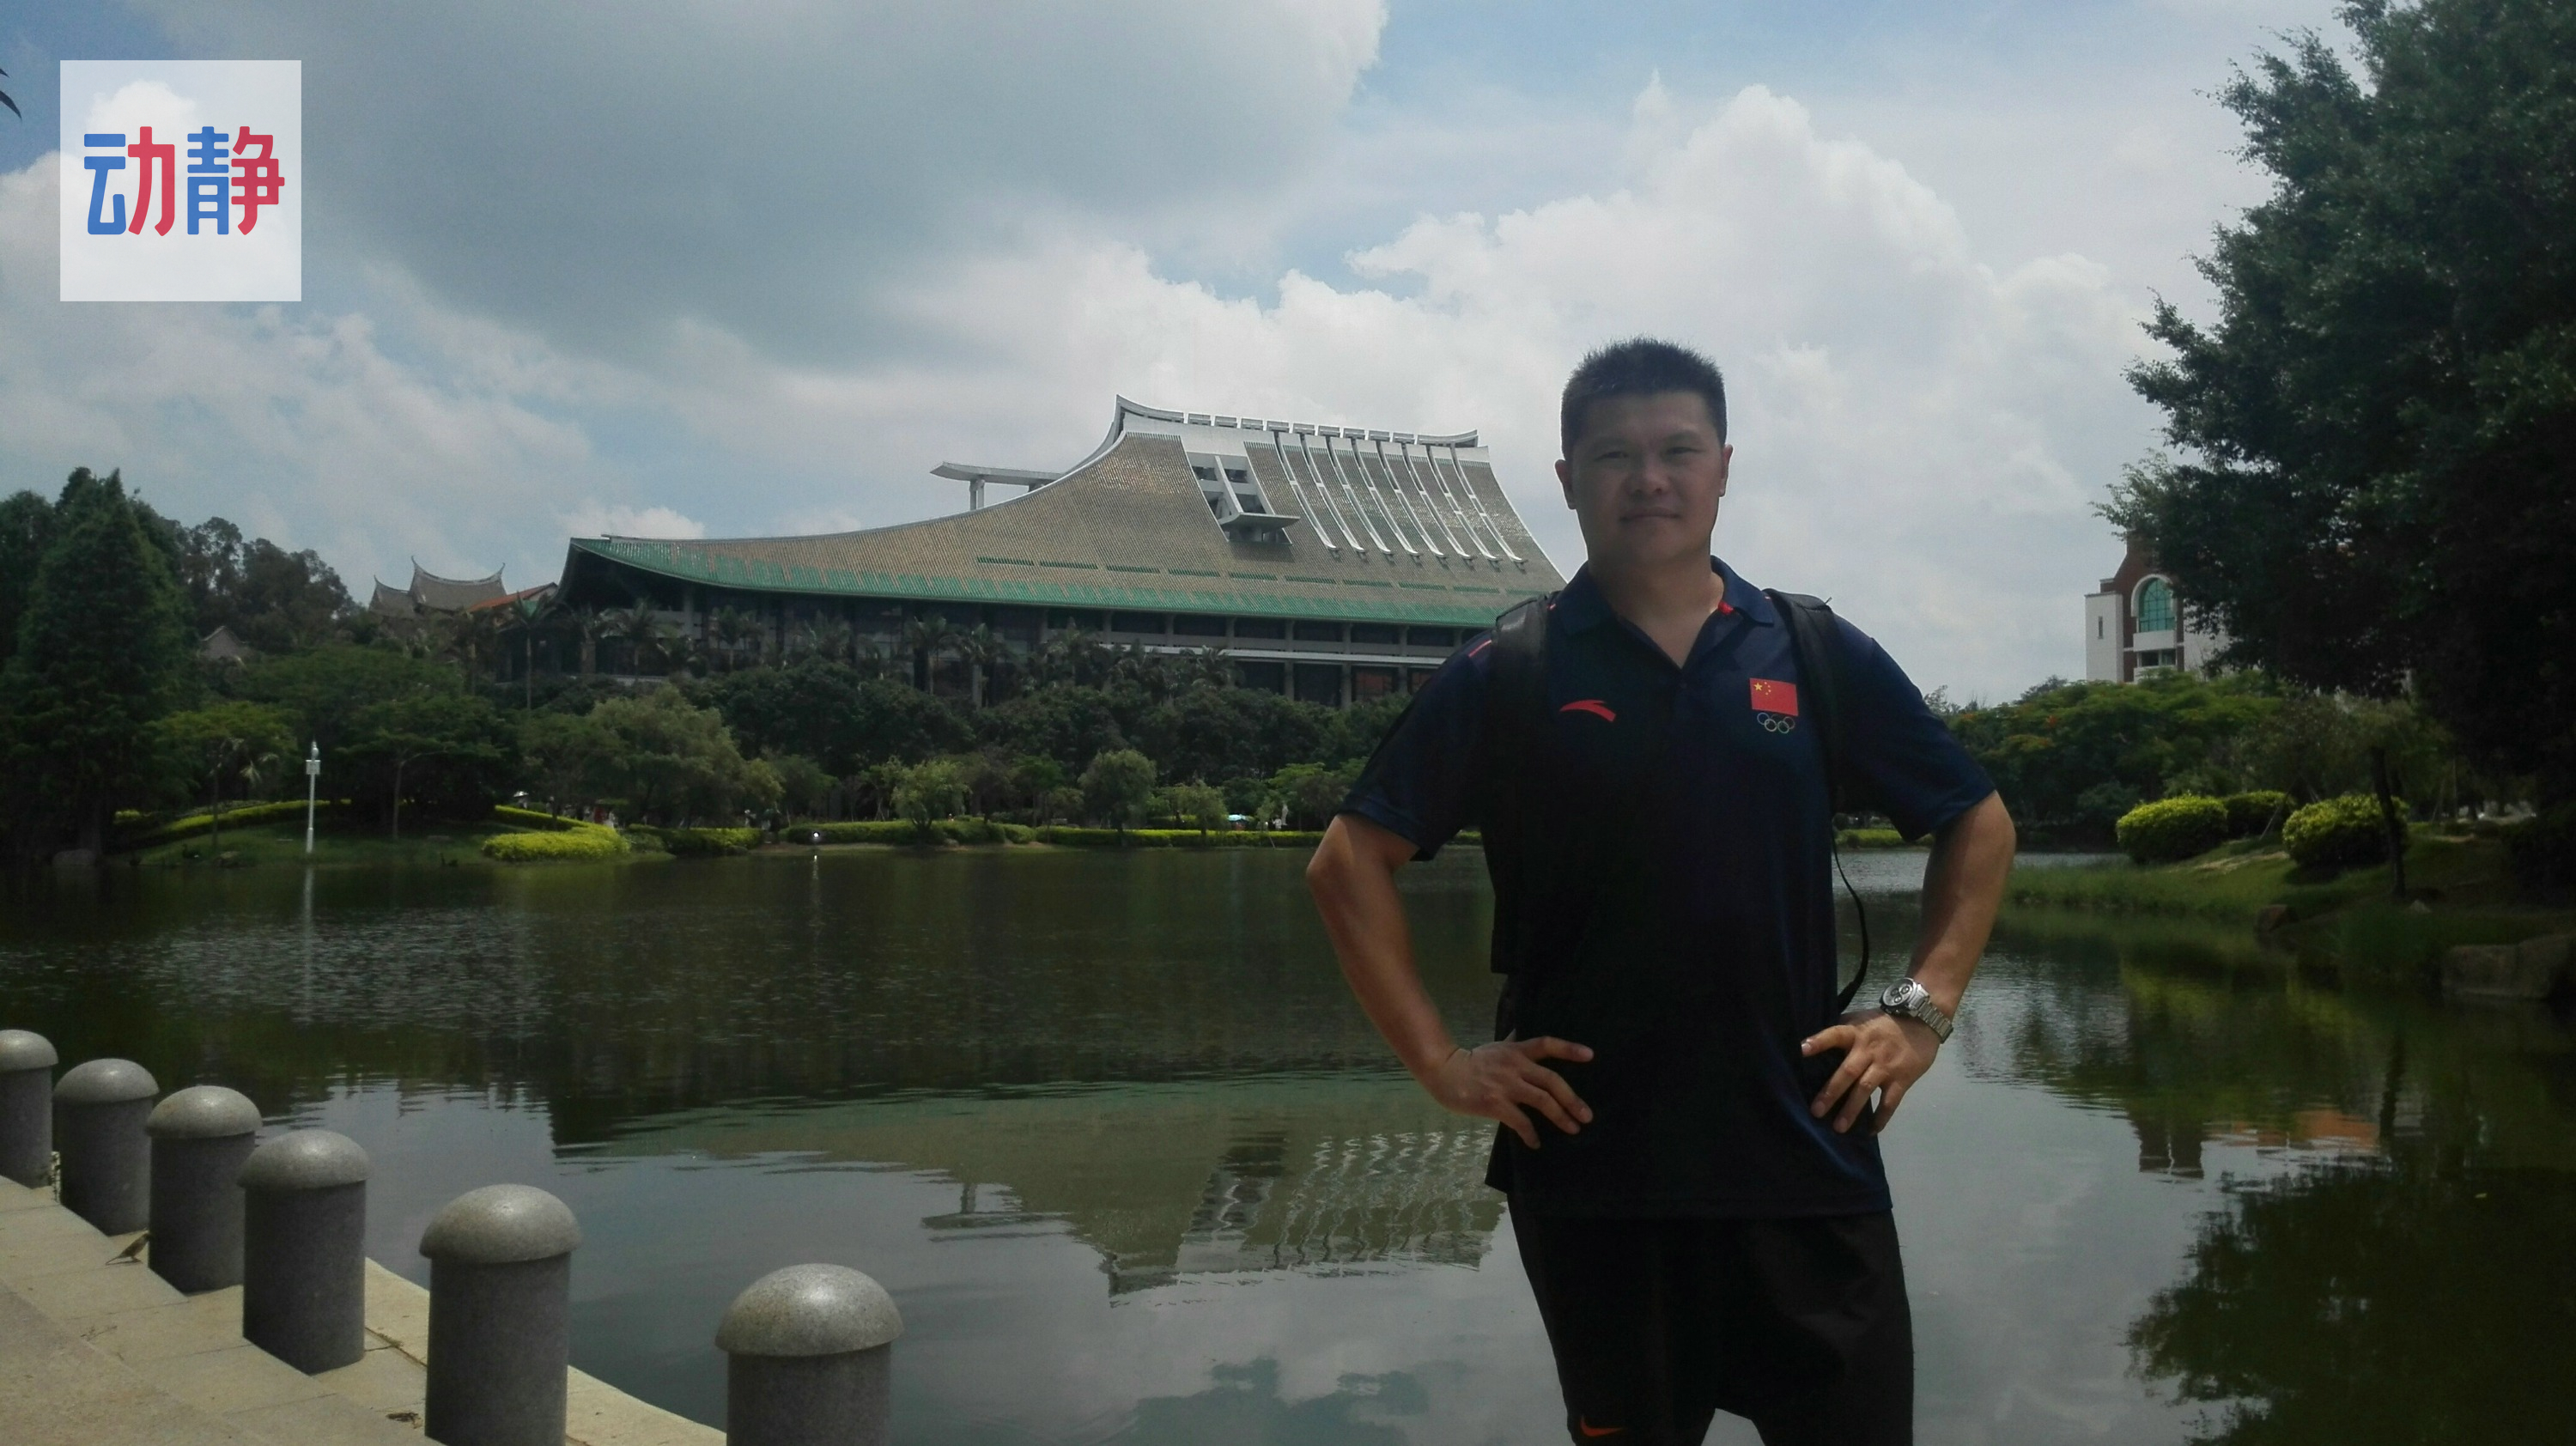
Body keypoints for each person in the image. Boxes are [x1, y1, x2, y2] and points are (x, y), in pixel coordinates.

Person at [1305, 338, 2016, 1445]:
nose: (1649, 479)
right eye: (1614, 456)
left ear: (1724, 467)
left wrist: (1922, 1011)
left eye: (1679, 451)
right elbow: (1348, 863)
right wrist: (1441, 1064)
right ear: (1567, 479)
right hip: (1596, 1174)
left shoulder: (1811, 650)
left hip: (1805, 1156)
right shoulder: (1515, 668)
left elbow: (1978, 820)